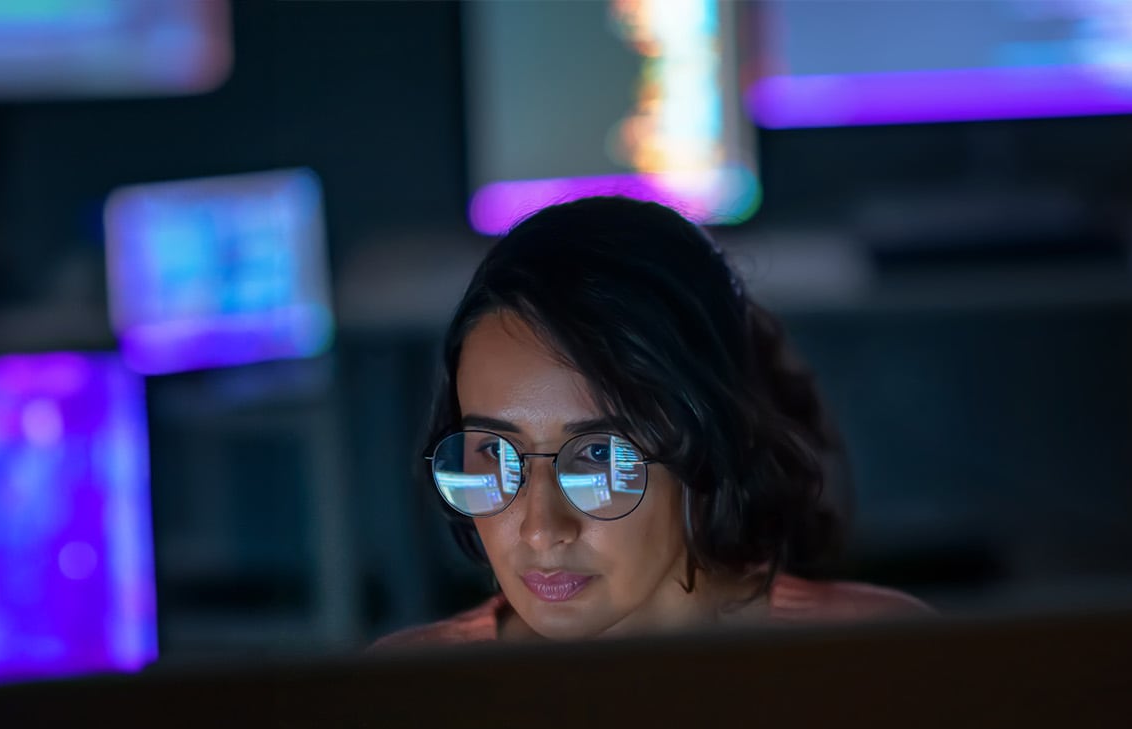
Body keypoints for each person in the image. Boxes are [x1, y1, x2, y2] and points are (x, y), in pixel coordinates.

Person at [376, 197, 927, 648]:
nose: (541, 528)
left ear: (709, 442)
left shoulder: (880, 659)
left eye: (597, 454)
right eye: (494, 453)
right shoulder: (404, 697)